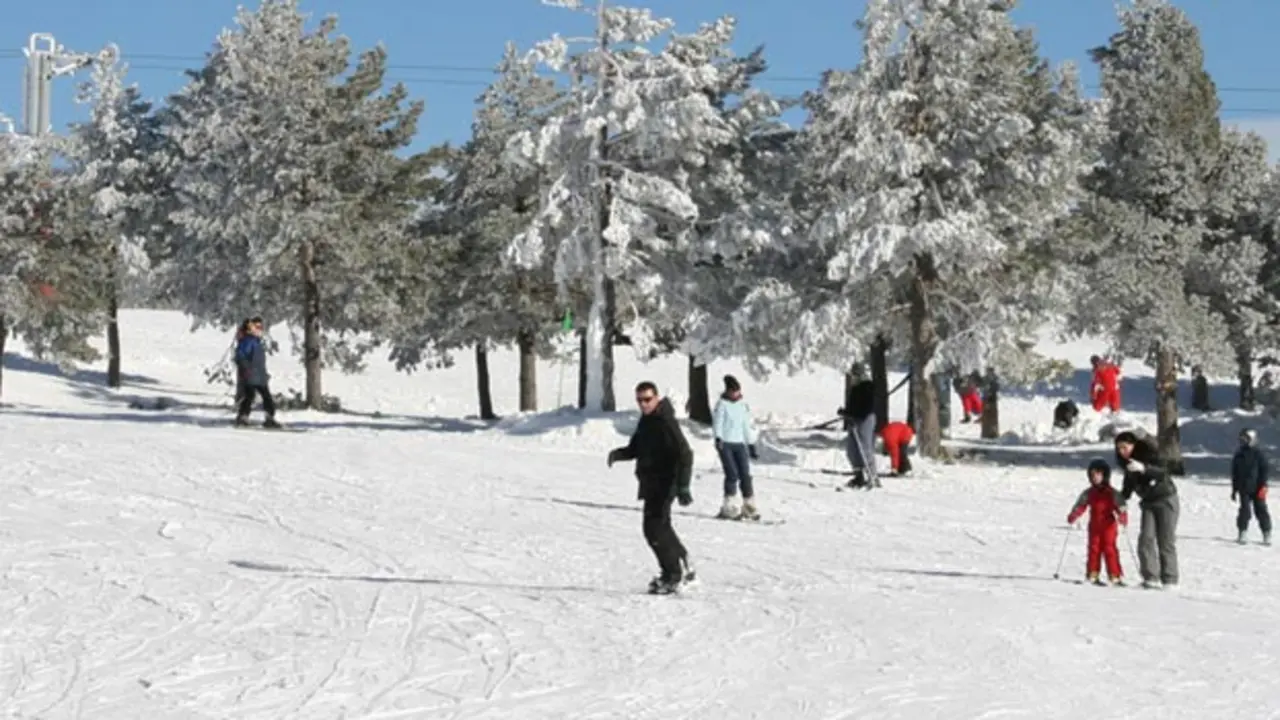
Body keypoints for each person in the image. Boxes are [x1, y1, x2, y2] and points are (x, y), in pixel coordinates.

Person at [607, 381, 696, 594]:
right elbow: (637, 447)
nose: (644, 404)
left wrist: (683, 486)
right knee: (661, 526)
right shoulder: (647, 421)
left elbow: (686, 454)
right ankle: (683, 562)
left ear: (656, 398)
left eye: (647, 399)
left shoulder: (665, 422)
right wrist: (619, 454)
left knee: (653, 529)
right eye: (640, 400)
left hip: (666, 482)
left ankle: (672, 575)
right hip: (651, 482)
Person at [1115, 430, 1178, 588]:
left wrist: (1144, 468)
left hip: (1165, 500)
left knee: (1165, 540)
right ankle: (1151, 577)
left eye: (1125, 447)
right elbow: (1127, 488)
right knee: (1146, 539)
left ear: (1134, 445)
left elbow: (1162, 472)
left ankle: (1170, 579)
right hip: (1148, 503)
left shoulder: (1149, 455)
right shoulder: (1128, 466)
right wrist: (1120, 501)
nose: (1122, 451)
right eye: (1119, 448)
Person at [1067, 459, 1128, 585]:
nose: (1095, 478)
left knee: (1109, 549)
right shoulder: (1089, 493)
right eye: (1092, 475)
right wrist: (1075, 514)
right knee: (1093, 549)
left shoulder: (1111, 493)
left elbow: (1121, 505)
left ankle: (1114, 575)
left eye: (1098, 475)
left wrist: (1122, 516)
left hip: (1108, 526)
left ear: (1105, 475)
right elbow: (1081, 504)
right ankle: (1092, 574)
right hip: (1094, 526)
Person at [712, 374, 759, 521]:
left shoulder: (742, 405)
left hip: (739, 444)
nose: (736, 394)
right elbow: (717, 423)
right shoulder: (722, 404)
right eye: (733, 391)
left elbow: (745, 425)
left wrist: (750, 443)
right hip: (725, 444)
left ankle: (749, 504)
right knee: (732, 474)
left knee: (745, 474)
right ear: (728, 391)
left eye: (737, 391)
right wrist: (718, 438)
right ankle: (729, 505)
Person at [234, 317, 279, 428]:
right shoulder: (248, 341)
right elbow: (240, 356)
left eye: (261, 327)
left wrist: (264, 373)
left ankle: (264, 417)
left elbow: (258, 360)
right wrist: (246, 369)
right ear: (251, 328)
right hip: (251, 375)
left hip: (259, 375)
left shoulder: (256, 341)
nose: (260, 329)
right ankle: (245, 417)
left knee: (259, 396)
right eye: (257, 327)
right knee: (254, 396)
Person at [1232, 428, 1271, 545]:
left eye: (1245, 439)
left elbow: (1264, 470)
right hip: (1244, 488)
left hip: (1258, 488)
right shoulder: (1239, 455)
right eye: (1241, 439)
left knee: (1261, 509)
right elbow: (1235, 473)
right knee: (1244, 510)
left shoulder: (1259, 455)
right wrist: (1234, 489)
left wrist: (1263, 485)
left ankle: (1266, 532)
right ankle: (1242, 531)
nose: (1243, 441)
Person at [838, 378, 878, 489]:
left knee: (864, 448)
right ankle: (859, 476)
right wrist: (846, 412)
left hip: (865, 419)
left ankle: (872, 476)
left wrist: (853, 413)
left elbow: (866, 407)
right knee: (852, 449)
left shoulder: (867, 387)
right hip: (854, 419)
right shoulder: (854, 389)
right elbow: (853, 406)